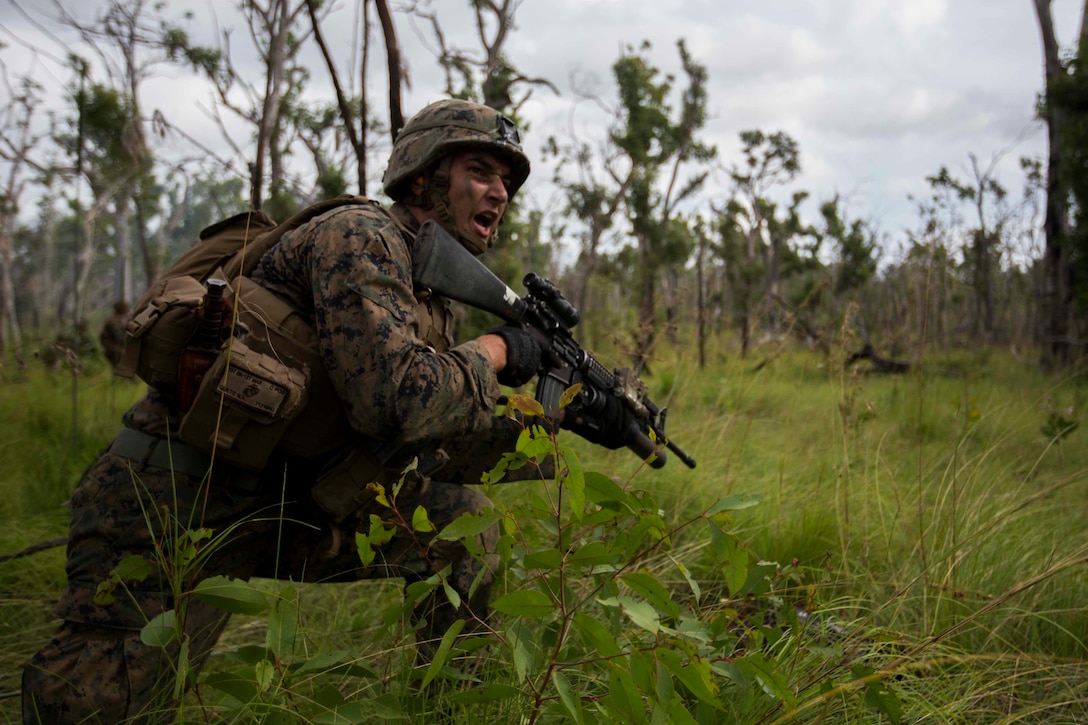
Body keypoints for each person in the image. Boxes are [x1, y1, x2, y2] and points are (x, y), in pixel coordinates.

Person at [22, 99, 550, 723]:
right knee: (99, 706)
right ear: (422, 175)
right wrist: (496, 350)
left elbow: (421, 443)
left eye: (508, 183)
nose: (499, 193)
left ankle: (457, 712)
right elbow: (396, 401)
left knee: (467, 532)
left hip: (284, 501)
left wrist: (553, 419)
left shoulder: (426, 290)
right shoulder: (363, 236)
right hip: (172, 497)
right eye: (481, 172)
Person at [98, 300, 130, 369]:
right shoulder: (113, 322)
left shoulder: (117, 321)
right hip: (113, 350)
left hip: (115, 349)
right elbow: (119, 338)